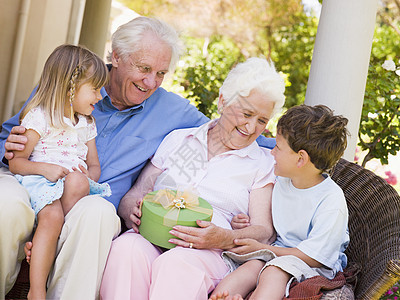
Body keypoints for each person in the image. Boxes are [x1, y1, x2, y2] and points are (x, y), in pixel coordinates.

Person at [0, 17, 275, 299]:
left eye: (160, 73)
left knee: (100, 216)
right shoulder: (68, 85)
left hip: (88, 200)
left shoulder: (171, 111)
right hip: (30, 178)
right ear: (116, 56)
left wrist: (294, 148)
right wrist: (12, 148)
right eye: (144, 68)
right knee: (5, 202)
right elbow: (7, 139)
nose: (150, 82)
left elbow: (233, 129)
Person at [99, 57, 285, 300]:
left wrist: (225, 237)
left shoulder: (262, 163)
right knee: (126, 249)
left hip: (210, 252)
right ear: (223, 101)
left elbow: (264, 231)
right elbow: (137, 192)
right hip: (154, 235)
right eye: (246, 114)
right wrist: (129, 209)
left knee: (177, 264)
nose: (250, 128)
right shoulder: (179, 140)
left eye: (261, 120)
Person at [209, 104, 350, 300]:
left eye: (278, 147)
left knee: (274, 271)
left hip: (313, 262)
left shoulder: (331, 201)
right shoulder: (281, 180)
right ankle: (222, 297)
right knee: (248, 269)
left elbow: (316, 256)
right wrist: (242, 222)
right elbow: (265, 217)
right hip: (275, 251)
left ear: (300, 159)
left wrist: (266, 249)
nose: (271, 152)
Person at [8, 44, 112, 300]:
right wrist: (45, 169)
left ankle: (44, 245)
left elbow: (95, 165)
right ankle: (37, 291)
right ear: (70, 88)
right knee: (52, 216)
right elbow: (16, 163)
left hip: (72, 190)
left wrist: (87, 177)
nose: (100, 97)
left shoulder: (87, 124)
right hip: (41, 183)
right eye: (95, 89)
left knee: (78, 184)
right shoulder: (39, 118)